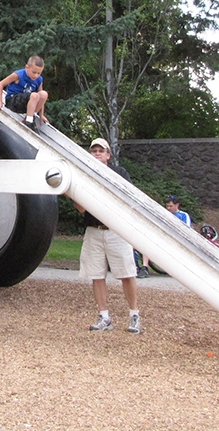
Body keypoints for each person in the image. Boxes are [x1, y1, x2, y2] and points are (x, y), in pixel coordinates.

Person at [73, 137, 141, 334]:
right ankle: (104, 316)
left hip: (116, 231)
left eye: (100, 151)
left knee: (127, 274)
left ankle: (134, 315)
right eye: (93, 150)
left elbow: (129, 198)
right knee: (96, 275)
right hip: (94, 231)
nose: (96, 153)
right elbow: (81, 208)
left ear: (108, 155)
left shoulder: (119, 173)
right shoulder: (84, 175)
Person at [139, 196, 192, 276]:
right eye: (167, 206)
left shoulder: (183, 215)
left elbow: (187, 230)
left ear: (177, 205)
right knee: (147, 242)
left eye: (171, 206)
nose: (168, 208)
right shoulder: (164, 215)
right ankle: (144, 268)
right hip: (163, 239)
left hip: (177, 241)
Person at [0, 55, 49, 131]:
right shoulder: (18, 75)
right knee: (35, 95)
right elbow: (1, 84)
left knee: (43, 94)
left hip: (26, 105)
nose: (36, 75)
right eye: (34, 72)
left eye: (39, 73)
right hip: (13, 101)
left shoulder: (39, 80)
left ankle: (30, 117)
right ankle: (29, 122)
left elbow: (41, 99)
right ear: (27, 67)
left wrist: (41, 114)